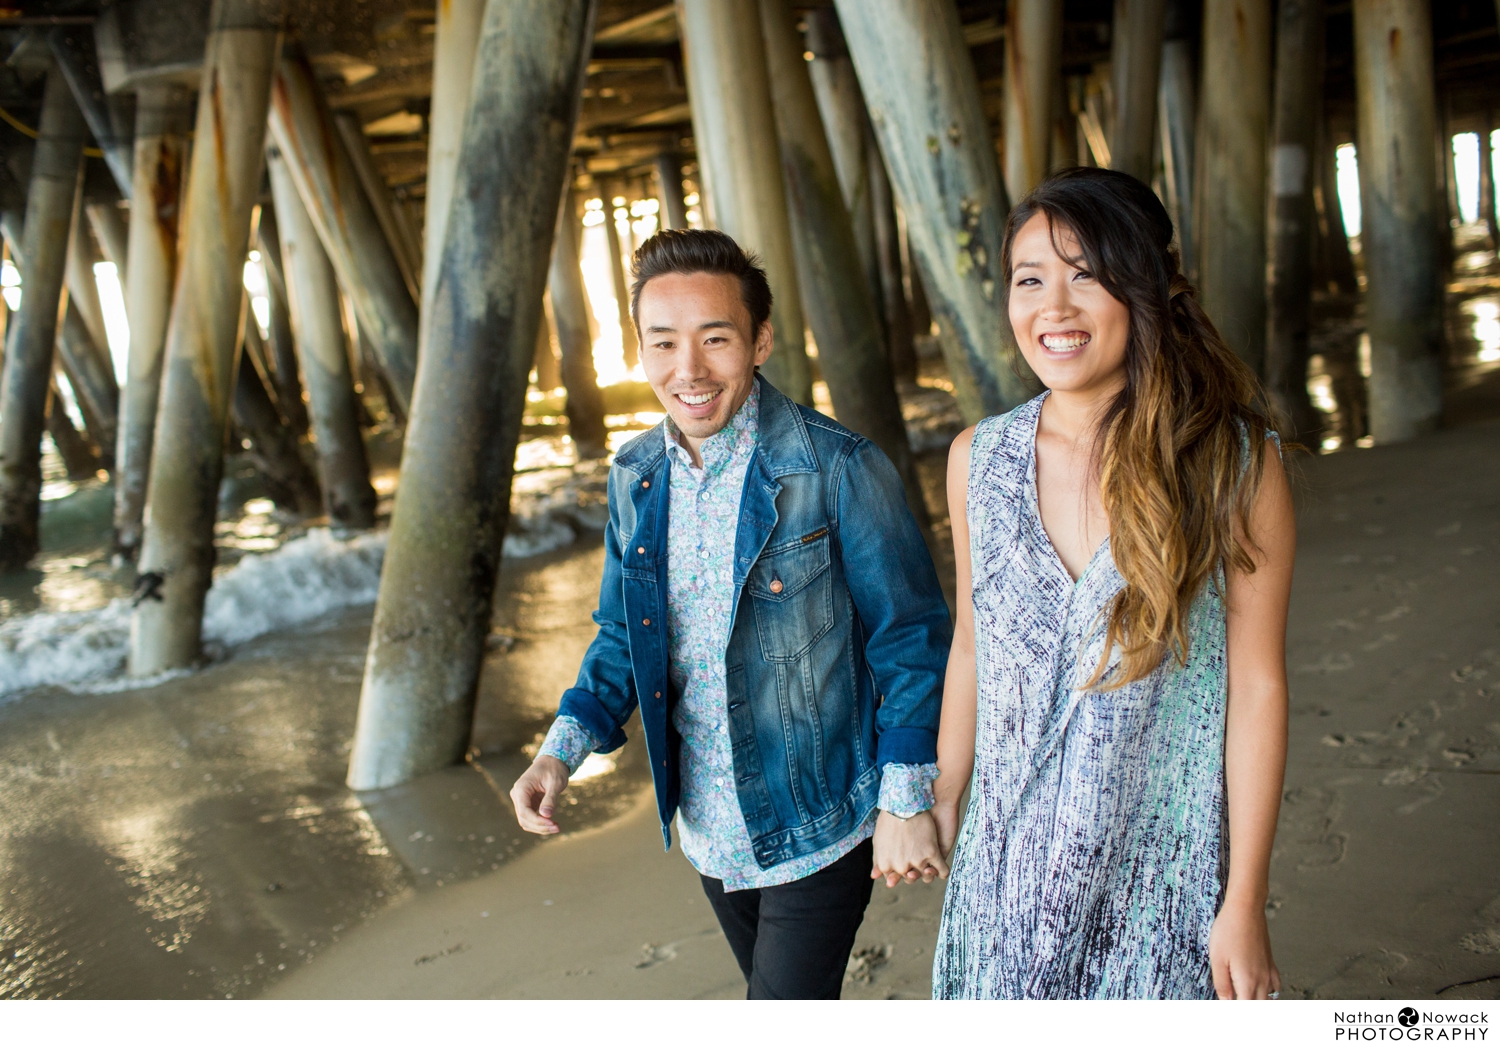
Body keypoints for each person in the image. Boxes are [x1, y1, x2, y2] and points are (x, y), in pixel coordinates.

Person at [510, 228, 952, 999]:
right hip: (709, 829)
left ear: (760, 341)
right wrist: (560, 752)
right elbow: (621, 635)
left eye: (716, 339)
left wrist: (905, 800)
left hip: (820, 820)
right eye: (663, 344)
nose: (689, 370)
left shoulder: (838, 466)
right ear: (640, 353)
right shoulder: (636, 477)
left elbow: (910, 638)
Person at [931, 167, 1294, 1000]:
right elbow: (972, 645)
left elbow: (1259, 687)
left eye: (1085, 276)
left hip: (1160, 873)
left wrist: (1244, 900)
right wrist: (943, 791)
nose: (1052, 309)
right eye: (1031, 280)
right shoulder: (976, 461)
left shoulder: (1231, 463)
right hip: (1007, 869)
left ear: (1146, 290)